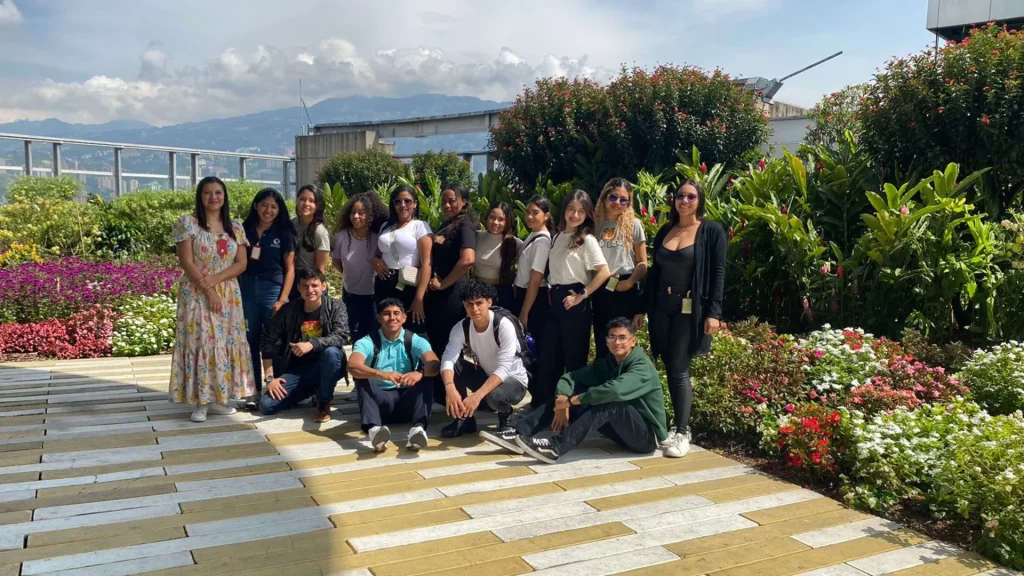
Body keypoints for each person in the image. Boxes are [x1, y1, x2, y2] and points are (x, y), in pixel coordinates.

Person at [481, 318, 668, 464]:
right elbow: (571, 377)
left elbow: (616, 391)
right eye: (612, 337)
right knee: (574, 391)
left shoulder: (641, 367)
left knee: (610, 402)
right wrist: (563, 400)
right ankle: (518, 434)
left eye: (622, 338)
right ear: (606, 340)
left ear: (633, 341)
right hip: (620, 432)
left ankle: (555, 448)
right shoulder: (608, 363)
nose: (617, 342)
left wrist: (572, 401)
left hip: (645, 439)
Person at [643, 179, 727, 458]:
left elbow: (718, 273)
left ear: (699, 201)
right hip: (661, 307)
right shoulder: (666, 230)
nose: (685, 201)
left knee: (678, 367)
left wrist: (714, 312)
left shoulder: (710, 231)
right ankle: (675, 428)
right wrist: (642, 307)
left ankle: (682, 431)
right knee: (668, 364)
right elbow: (655, 272)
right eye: (680, 195)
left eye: (691, 197)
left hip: (689, 309)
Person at [169, 176, 254, 423]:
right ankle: (201, 401)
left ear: (224, 196)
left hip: (228, 293)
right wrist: (209, 289)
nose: (213, 197)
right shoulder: (189, 224)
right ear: (200, 196)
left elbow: (241, 263)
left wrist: (215, 281)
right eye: (208, 193)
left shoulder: (235, 227)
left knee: (225, 342)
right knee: (202, 341)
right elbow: (186, 261)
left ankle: (219, 398)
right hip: (196, 292)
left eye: (218, 192)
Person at [532, 190, 611, 408]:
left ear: (587, 215)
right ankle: (543, 407)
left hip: (574, 301)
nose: (575, 215)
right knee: (549, 357)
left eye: (580, 211)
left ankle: (572, 410)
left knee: (574, 361)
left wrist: (582, 295)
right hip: (554, 300)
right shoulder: (557, 237)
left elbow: (604, 271)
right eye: (571, 209)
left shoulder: (587, 240)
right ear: (564, 210)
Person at [439, 280, 530, 438]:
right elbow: (448, 358)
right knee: (454, 367)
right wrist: (449, 387)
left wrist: (477, 396)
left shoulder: (503, 325)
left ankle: (506, 416)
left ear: (489, 302)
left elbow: (503, 369)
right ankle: (464, 419)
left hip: (513, 380)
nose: (474, 309)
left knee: (495, 396)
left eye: (479, 303)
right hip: (488, 376)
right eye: (469, 304)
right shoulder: (461, 327)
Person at [347, 299, 440, 452]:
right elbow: (352, 365)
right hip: (380, 403)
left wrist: (419, 373)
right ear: (378, 318)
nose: (392, 318)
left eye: (396, 313)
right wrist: (380, 374)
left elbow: (435, 364)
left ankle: (418, 430)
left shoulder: (414, 340)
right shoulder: (368, 341)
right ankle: (375, 430)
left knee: (426, 378)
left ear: (404, 318)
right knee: (361, 377)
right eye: (386, 314)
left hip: (408, 401)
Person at [259, 267, 349, 422]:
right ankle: (310, 390)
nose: (310, 290)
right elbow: (267, 340)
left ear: (323, 286)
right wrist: (269, 378)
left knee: (332, 352)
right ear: (298, 288)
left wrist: (312, 344)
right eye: (305, 286)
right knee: (266, 406)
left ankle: (323, 402)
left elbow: (341, 336)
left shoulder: (336, 307)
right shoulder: (288, 310)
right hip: (299, 369)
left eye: (314, 285)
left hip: (329, 364)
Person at [239, 187, 297, 411]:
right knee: (250, 341)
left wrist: (282, 299)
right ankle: (251, 391)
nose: (268, 210)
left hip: (273, 290)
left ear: (279, 209)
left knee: (273, 341)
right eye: (264, 205)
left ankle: (279, 386)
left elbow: (290, 270)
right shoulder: (244, 229)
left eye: (273, 206)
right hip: (246, 290)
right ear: (256, 205)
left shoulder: (285, 232)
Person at [592, 178, 647, 359]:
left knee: (623, 344)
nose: (617, 203)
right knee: (603, 341)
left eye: (624, 200)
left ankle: (624, 384)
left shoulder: (634, 225)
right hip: (601, 287)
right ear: (605, 197)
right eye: (613, 197)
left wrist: (630, 282)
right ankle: (605, 384)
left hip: (625, 286)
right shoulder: (594, 225)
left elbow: (642, 263)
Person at [426, 183, 477, 359]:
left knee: (449, 348)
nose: (447, 205)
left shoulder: (465, 225)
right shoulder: (448, 223)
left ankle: (452, 386)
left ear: (464, 202)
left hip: (452, 295)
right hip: (439, 296)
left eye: (452, 201)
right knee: (437, 345)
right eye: (444, 201)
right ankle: (440, 386)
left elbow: (468, 260)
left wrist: (443, 284)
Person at [372, 186, 432, 334]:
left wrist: (419, 298)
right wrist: (375, 262)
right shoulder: (386, 226)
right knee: (386, 330)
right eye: (398, 201)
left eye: (408, 201)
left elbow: (427, 264)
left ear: (415, 204)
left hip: (408, 285)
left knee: (413, 329)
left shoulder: (420, 226)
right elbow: (377, 253)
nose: (403, 205)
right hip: (383, 283)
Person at [331, 191, 389, 342]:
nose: (356, 216)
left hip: (373, 296)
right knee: (356, 334)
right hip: (351, 294)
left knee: (374, 334)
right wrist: (348, 274)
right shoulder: (341, 237)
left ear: (370, 216)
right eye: (353, 212)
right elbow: (336, 261)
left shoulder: (378, 238)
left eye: (361, 213)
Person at [512, 195, 553, 351]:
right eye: (527, 212)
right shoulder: (533, 234)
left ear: (546, 216)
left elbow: (535, 281)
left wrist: (524, 312)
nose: (529, 216)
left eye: (535, 212)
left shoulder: (542, 242)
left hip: (534, 300)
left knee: (532, 346)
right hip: (526, 295)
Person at [474, 201, 521, 311]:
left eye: (501, 219)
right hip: (477, 291)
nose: (495, 222)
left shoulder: (513, 243)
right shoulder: (477, 236)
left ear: (508, 222)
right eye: (492, 217)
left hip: (502, 294)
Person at [292, 185, 331, 299]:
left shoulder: (320, 231)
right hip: (291, 279)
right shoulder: (292, 224)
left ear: (317, 205)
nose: (306, 204)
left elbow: (320, 270)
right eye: (302, 199)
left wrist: (308, 288)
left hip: (310, 283)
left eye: (311, 201)